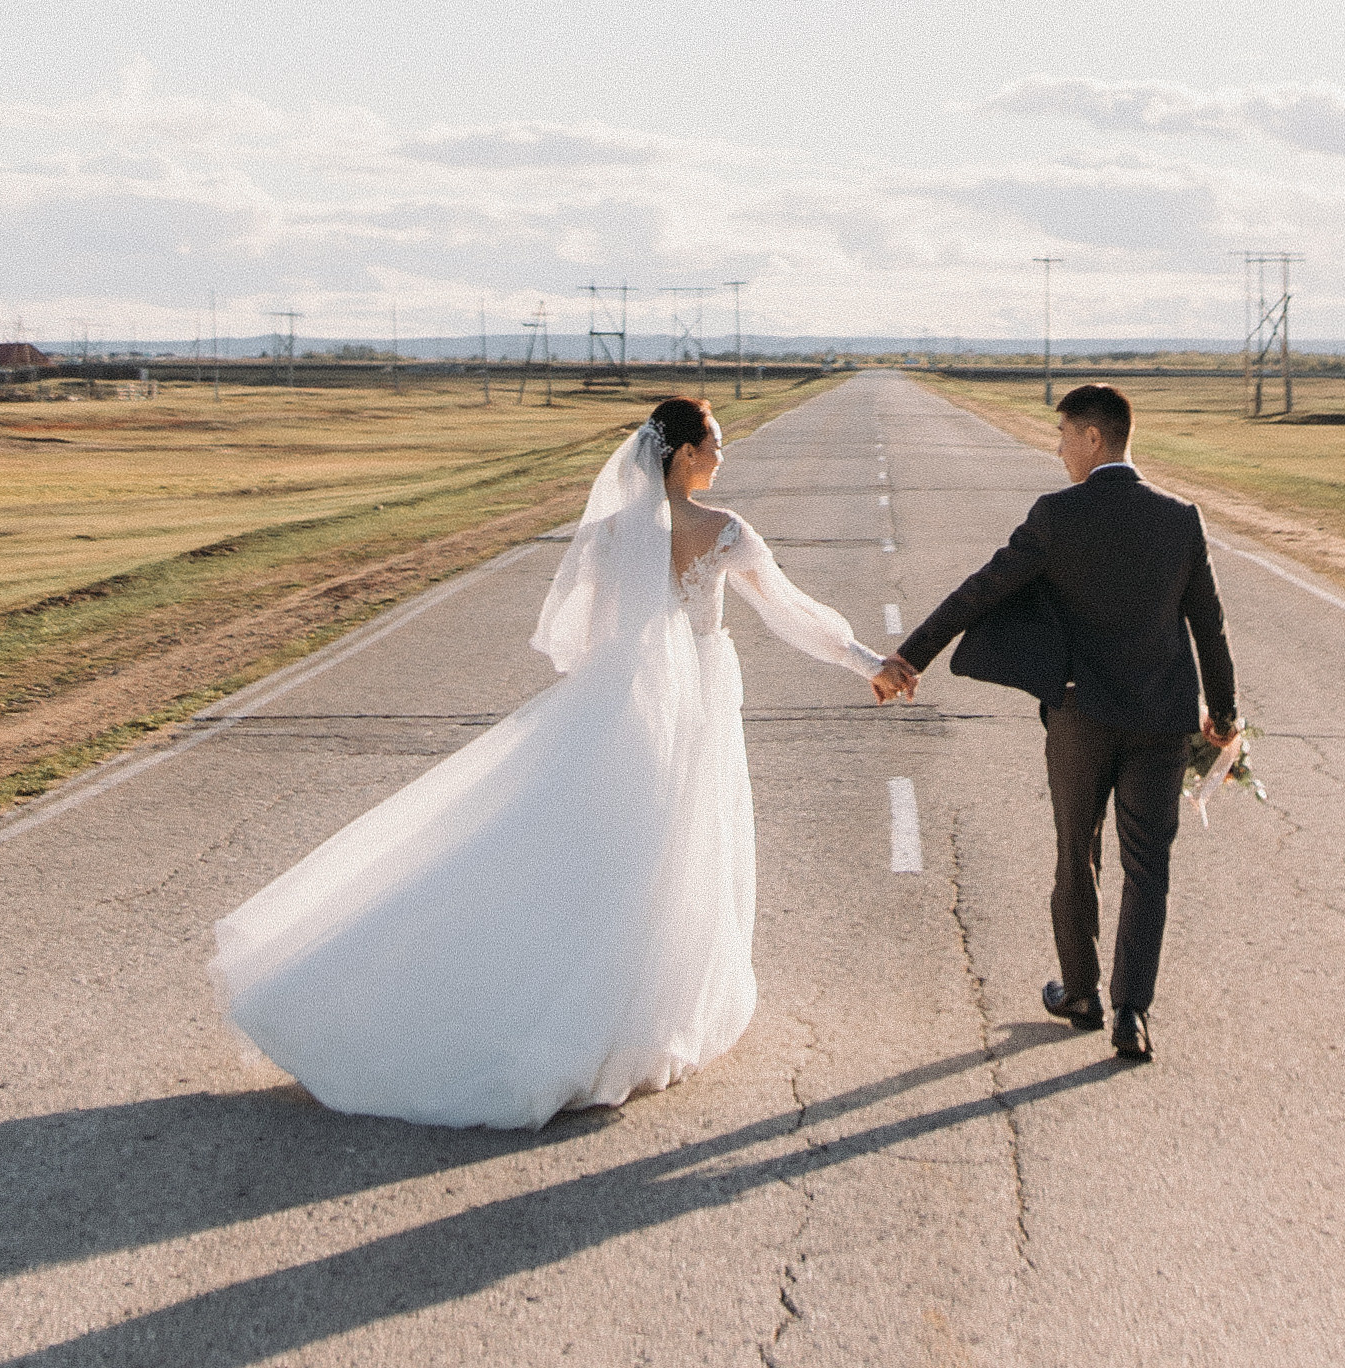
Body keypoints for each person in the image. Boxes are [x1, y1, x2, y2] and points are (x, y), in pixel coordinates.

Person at [212, 396, 886, 1128]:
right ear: (686, 454)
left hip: (624, 699)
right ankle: (637, 1016)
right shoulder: (724, 532)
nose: (723, 456)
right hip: (693, 699)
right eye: (715, 444)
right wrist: (869, 662)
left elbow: (580, 634)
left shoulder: (609, 533)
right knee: (674, 847)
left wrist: (622, 679)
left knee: (608, 848)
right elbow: (790, 612)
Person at [872, 383, 1236, 1065]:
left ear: (1094, 438)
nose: (1059, 448)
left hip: (1081, 717)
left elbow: (981, 590)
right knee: (1148, 866)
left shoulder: (1057, 515)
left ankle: (1081, 993)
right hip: (1161, 720)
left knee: (1078, 850)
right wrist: (1224, 711)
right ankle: (1133, 1013)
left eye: (1065, 435)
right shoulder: (1181, 518)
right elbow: (1208, 624)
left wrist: (910, 657)